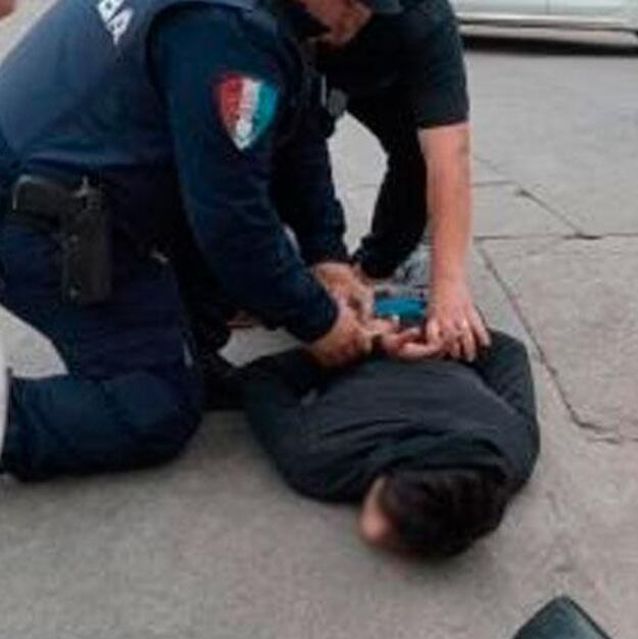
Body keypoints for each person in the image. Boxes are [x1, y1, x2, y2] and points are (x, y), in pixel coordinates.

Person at [0, 0, 398, 481]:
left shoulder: (265, 19)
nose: (364, 16)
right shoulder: (228, 31)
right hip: (35, 219)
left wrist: (326, 254)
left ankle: (185, 351)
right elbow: (233, 220)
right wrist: (319, 322)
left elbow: (297, 137)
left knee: (214, 281)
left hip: (59, 173)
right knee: (154, 405)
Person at [240, 328, 540, 557]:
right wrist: (440, 332)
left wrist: (358, 345)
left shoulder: (319, 455)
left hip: (352, 331)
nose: (377, 530)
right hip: (422, 323)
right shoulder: (511, 447)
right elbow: (507, 352)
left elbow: (261, 379)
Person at [315, 0, 489, 362]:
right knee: (278, 151)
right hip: (301, 58)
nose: (353, 14)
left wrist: (449, 283)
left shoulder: (423, 17)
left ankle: (373, 267)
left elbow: (449, 153)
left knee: (415, 157)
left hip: (387, 76)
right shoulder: (259, 20)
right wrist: (319, 264)